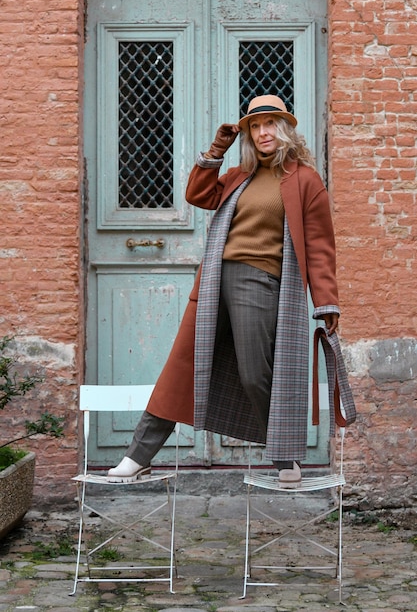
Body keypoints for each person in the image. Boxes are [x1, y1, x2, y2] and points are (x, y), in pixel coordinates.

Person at [107, 94, 341, 488]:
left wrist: (326, 301)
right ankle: (137, 456)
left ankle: (284, 455)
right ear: (248, 133)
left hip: (260, 281)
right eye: (255, 126)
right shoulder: (239, 175)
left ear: (284, 129)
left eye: (270, 124)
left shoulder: (304, 180)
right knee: (180, 370)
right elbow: (197, 195)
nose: (263, 132)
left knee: (254, 373)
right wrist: (218, 148)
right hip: (214, 280)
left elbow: (319, 246)